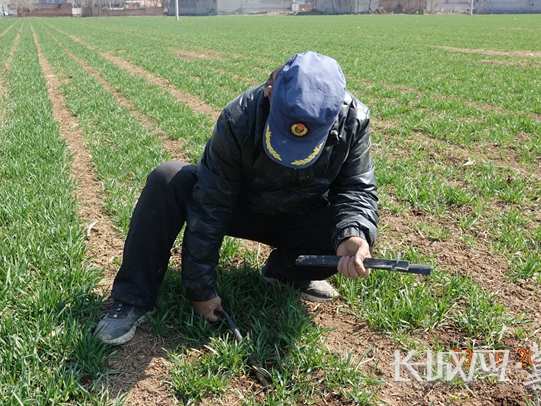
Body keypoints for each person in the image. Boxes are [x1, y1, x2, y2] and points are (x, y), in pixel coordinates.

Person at [97, 51, 379, 345]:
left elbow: (356, 189)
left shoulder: (354, 121)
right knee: (167, 178)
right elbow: (211, 203)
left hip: (298, 213)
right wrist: (201, 290)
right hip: (239, 206)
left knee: (342, 235)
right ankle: (133, 298)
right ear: (269, 94)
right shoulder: (239, 118)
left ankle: (284, 273)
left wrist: (353, 234)